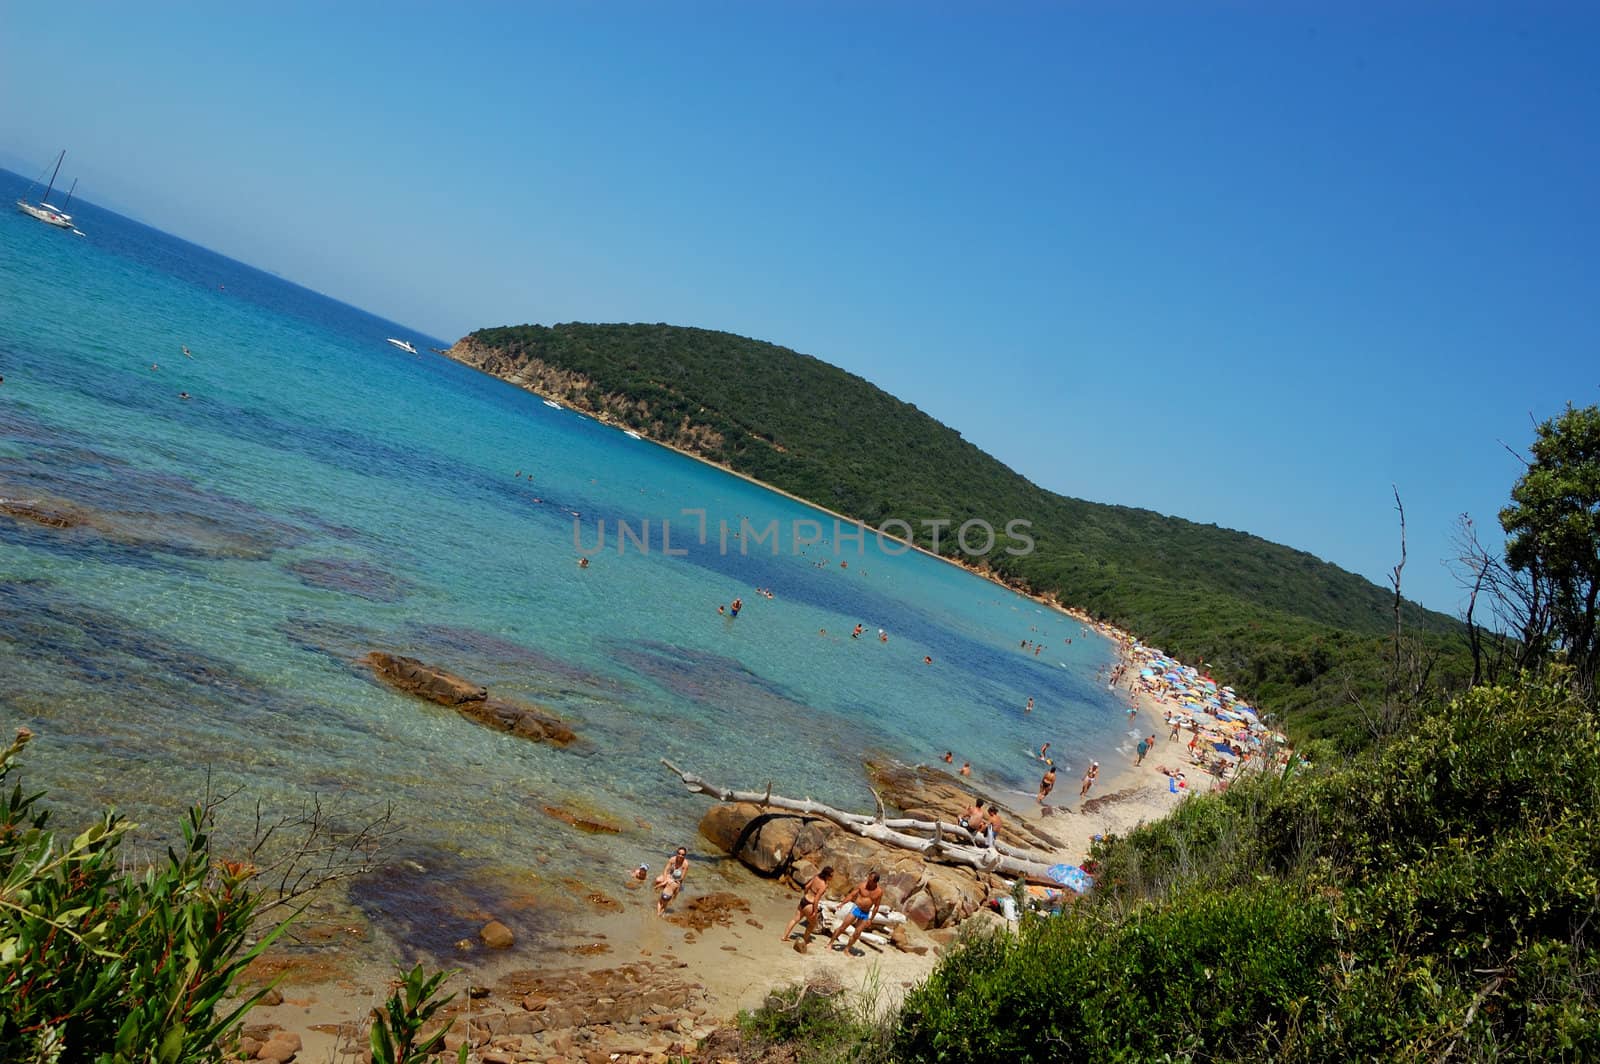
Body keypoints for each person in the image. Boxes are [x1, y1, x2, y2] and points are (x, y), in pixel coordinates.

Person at [828, 872, 884, 953]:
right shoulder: (862, 885)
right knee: (843, 927)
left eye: (871, 880)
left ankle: (847, 949)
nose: (868, 880)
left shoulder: (879, 892)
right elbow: (851, 895)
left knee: (857, 933)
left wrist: (871, 919)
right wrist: (842, 903)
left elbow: (876, 906)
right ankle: (830, 943)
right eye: (869, 878)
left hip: (865, 913)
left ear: (875, 882)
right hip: (856, 908)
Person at [780, 865, 834, 949]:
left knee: (795, 919)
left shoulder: (816, 877)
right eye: (831, 875)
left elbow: (806, 887)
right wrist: (815, 911)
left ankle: (784, 936)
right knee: (813, 924)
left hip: (804, 900)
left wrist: (805, 895)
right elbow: (816, 900)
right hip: (810, 904)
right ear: (827, 875)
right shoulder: (823, 885)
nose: (832, 877)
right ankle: (805, 940)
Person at [654, 847, 689, 916]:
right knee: (658, 880)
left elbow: (682, 877)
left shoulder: (685, 864)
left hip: (676, 879)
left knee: (661, 900)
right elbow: (665, 870)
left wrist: (673, 881)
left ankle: (659, 911)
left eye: (683, 854)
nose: (680, 856)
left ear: (685, 855)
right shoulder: (672, 859)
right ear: (677, 853)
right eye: (679, 853)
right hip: (669, 875)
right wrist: (665, 878)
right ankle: (661, 912)